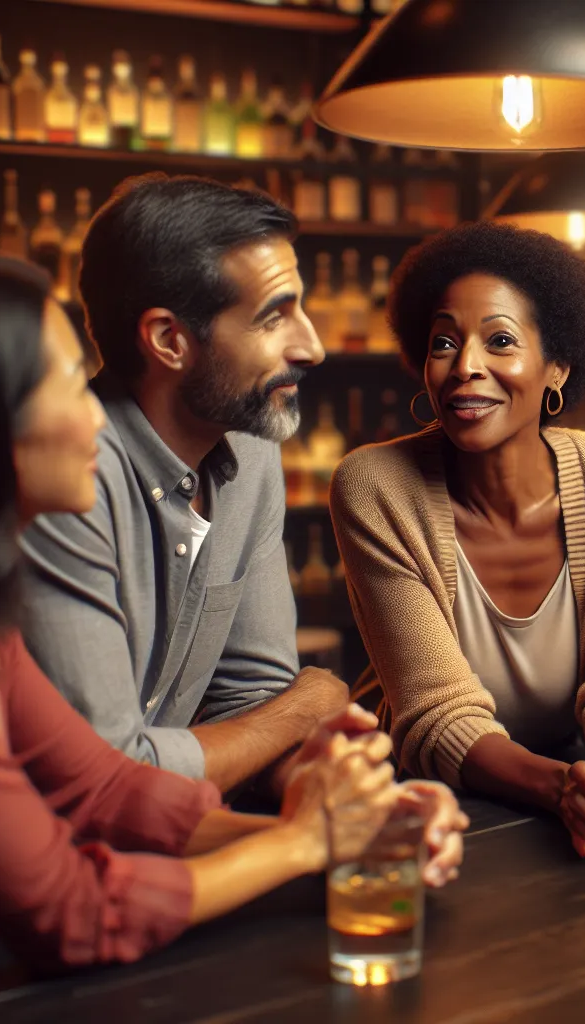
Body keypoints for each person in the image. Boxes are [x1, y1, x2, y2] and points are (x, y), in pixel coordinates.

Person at [0, 252, 466, 1023]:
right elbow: (70, 911)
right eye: (65, 382)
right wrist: (299, 845)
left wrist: (352, 828)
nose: (94, 416)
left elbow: (101, 792)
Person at [331, 221, 585, 859]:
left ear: (557, 368)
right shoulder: (376, 486)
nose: (465, 366)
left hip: (578, 786)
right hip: (424, 809)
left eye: (501, 341)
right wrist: (559, 790)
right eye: (444, 342)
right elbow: (436, 710)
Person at [19, 174, 349, 796]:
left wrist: (334, 794)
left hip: (173, 830)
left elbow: (254, 701)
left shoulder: (251, 450)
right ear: (170, 341)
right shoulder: (65, 483)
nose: (312, 347)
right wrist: (306, 708)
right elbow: (105, 773)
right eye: (274, 318)